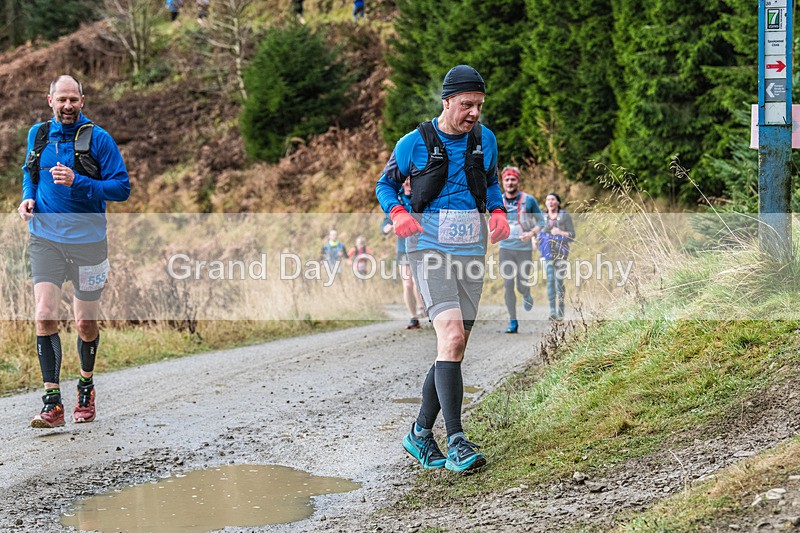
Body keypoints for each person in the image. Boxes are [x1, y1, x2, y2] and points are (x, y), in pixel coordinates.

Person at [376, 64, 510, 473]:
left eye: (479, 106)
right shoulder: (413, 143)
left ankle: (419, 434)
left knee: (453, 348)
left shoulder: (484, 139)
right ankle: (456, 440)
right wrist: (397, 211)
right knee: (450, 335)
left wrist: (500, 210)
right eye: (467, 104)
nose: (473, 113)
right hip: (428, 248)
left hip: (471, 251)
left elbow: (488, 183)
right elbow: (385, 184)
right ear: (447, 101)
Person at [18, 75, 130, 428]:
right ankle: (53, 403)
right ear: (49, 99)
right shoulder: (37, 135)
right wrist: (27, 196)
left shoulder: (99, 139)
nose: (67, 106)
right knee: (44, 314)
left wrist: (78, 181)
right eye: (61, 99)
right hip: (46, 238)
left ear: (83, 100)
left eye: (73, 99)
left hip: (88, 242)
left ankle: (85, 386)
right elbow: (30, 172)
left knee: (84, 323)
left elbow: (121, 188)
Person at [498, 165, 543, 333]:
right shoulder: (498, 200)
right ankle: (513, 321)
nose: (510, 183)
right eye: (507, 180)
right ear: (502, 182)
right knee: (508, 284)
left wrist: (531, 233)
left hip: (523, 249)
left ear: (518, 181)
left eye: (513, 179)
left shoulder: (528, 200)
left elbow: (541, 222)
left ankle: (526, 292)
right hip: (506, 248)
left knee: (521, 284)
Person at [382, 177, 425, 329]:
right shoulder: (397, 200)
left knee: (419, 282)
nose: (407, 183)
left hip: (422, 247)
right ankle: (413, 317)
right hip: (403, 249)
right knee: (407, 283)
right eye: (405, 181)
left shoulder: (422, 196)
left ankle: (425, 308)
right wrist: (387, 228)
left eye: (410, 180)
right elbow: (386, 222)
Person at [538, 192, 575, 321]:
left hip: (561, 252)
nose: (550, 202)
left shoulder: (564, 216)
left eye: (553, 199)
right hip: (546, 253)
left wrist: (560, 232)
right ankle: (552, 311)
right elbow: (538, 233)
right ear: (546, 203)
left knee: (558, 281)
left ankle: (561, 310)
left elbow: (572, 235)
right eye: (548, 200)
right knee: (550, 281)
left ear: (558, 202)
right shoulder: (542, 217)